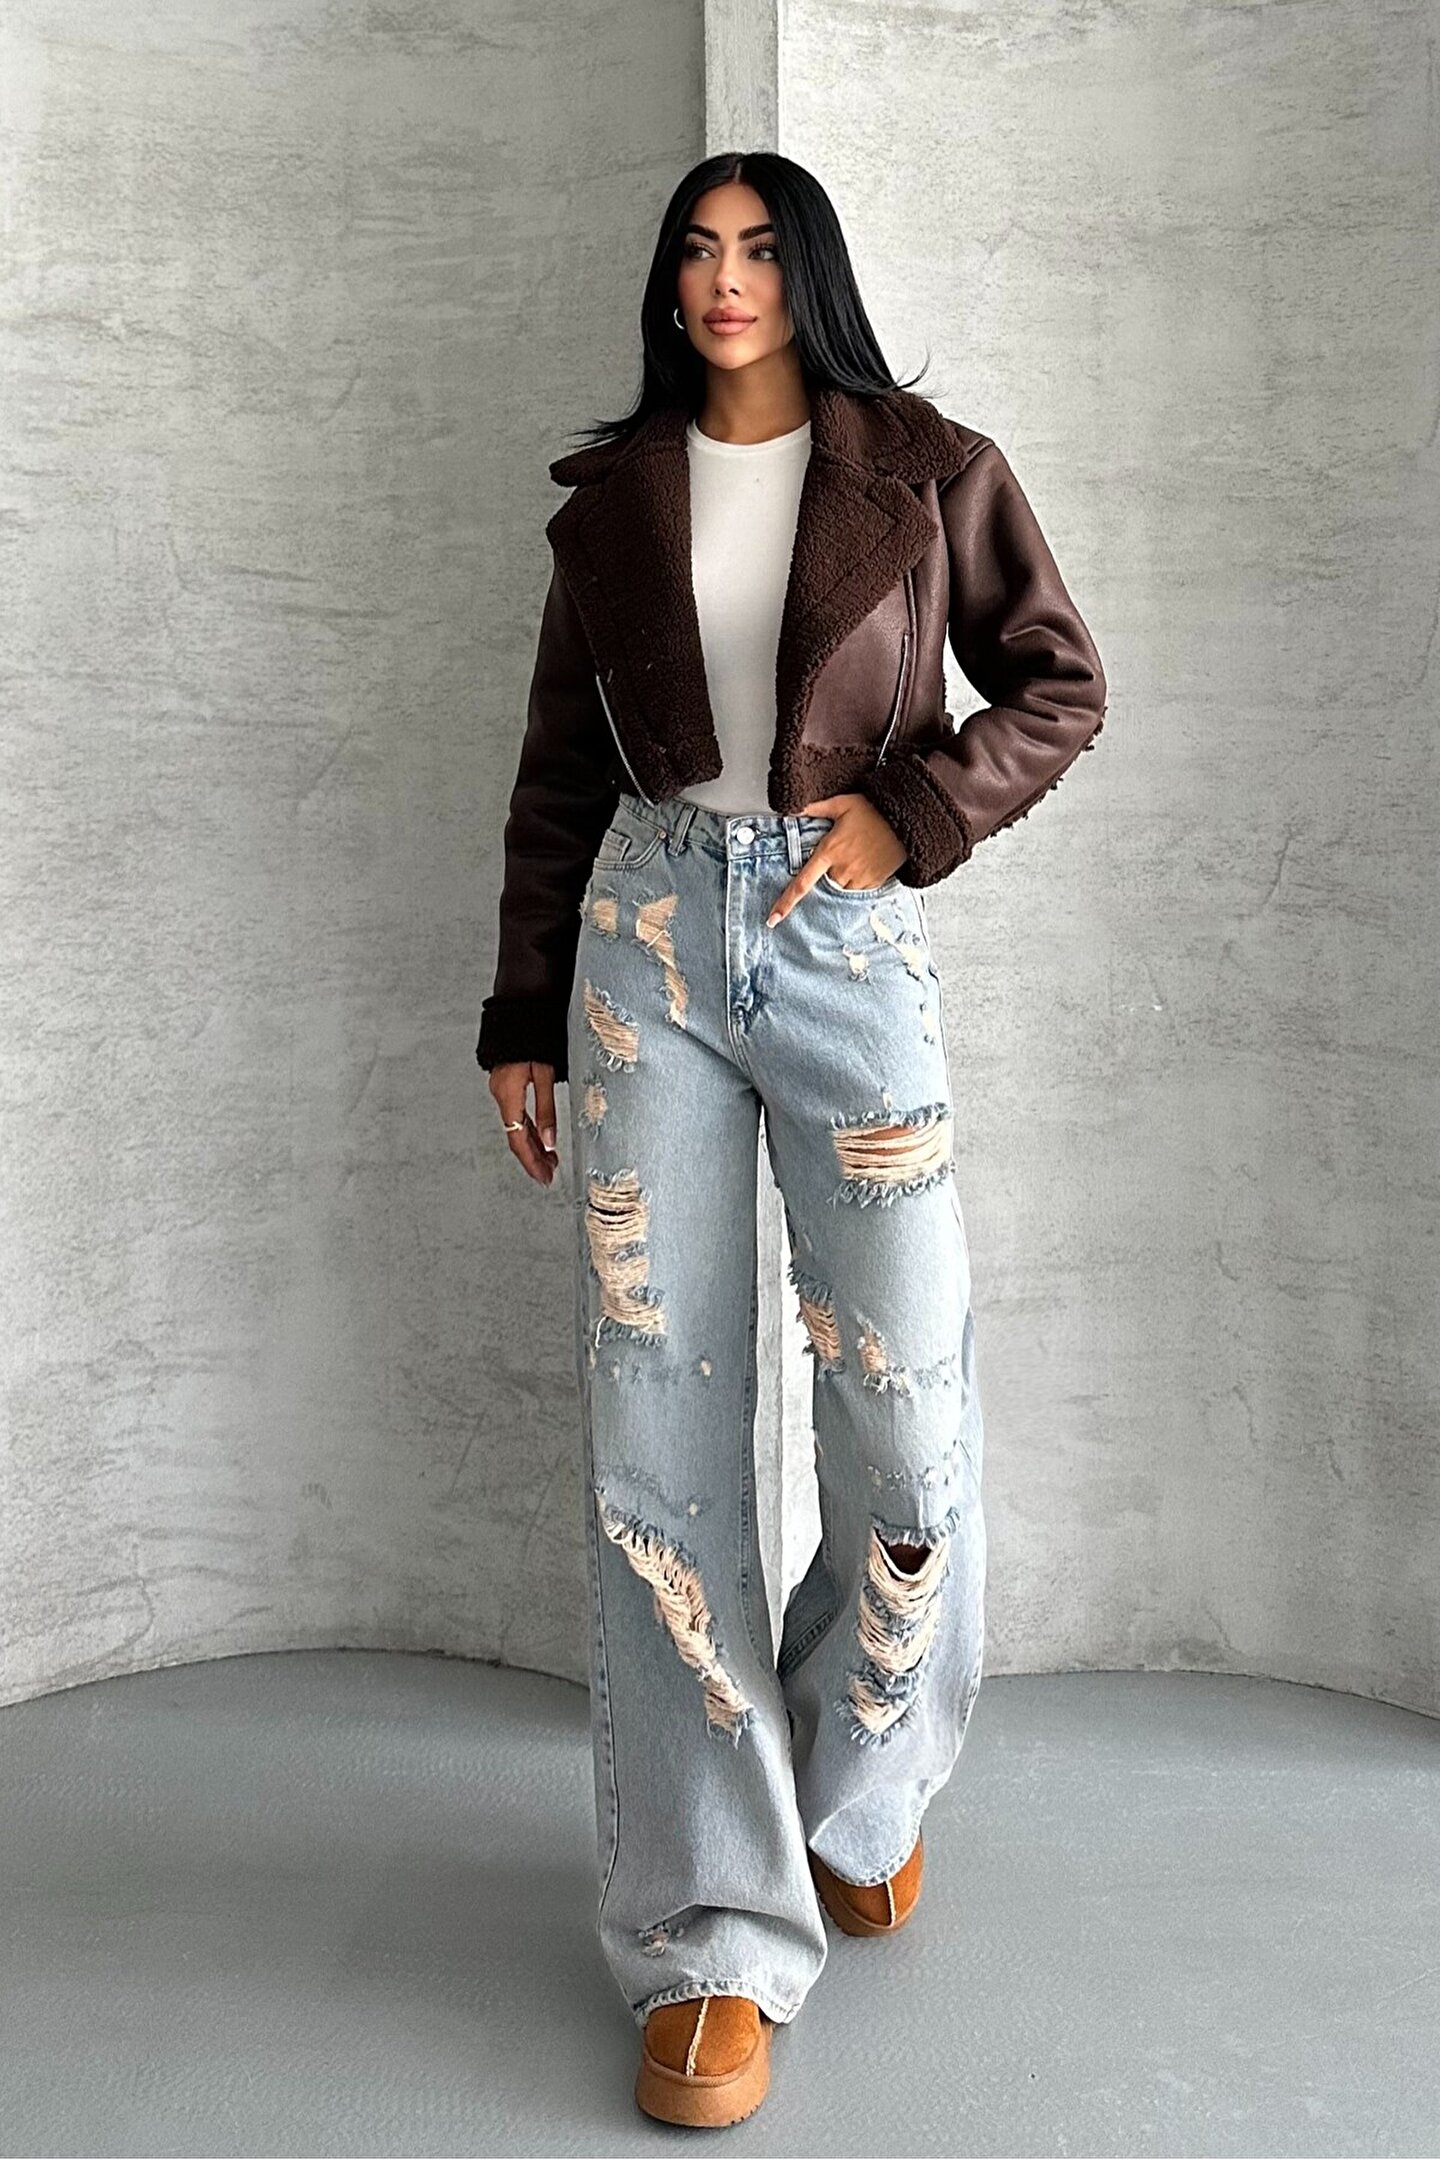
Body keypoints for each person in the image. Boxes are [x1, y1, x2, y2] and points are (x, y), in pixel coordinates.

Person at [476, 149, 1106, 2129]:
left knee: (906, 1419)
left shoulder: (930, 471)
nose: (723, 276)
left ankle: (857, 1781)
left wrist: (913, 813)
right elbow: (558, 770)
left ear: (804, 272)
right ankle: (710, 1937)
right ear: (666, 280)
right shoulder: (614, 504)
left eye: (758, 247)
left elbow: (1059, 682)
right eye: (696, 247)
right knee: (659, 1450)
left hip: (848, 947)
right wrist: (521, 1013)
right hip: (644, 947)